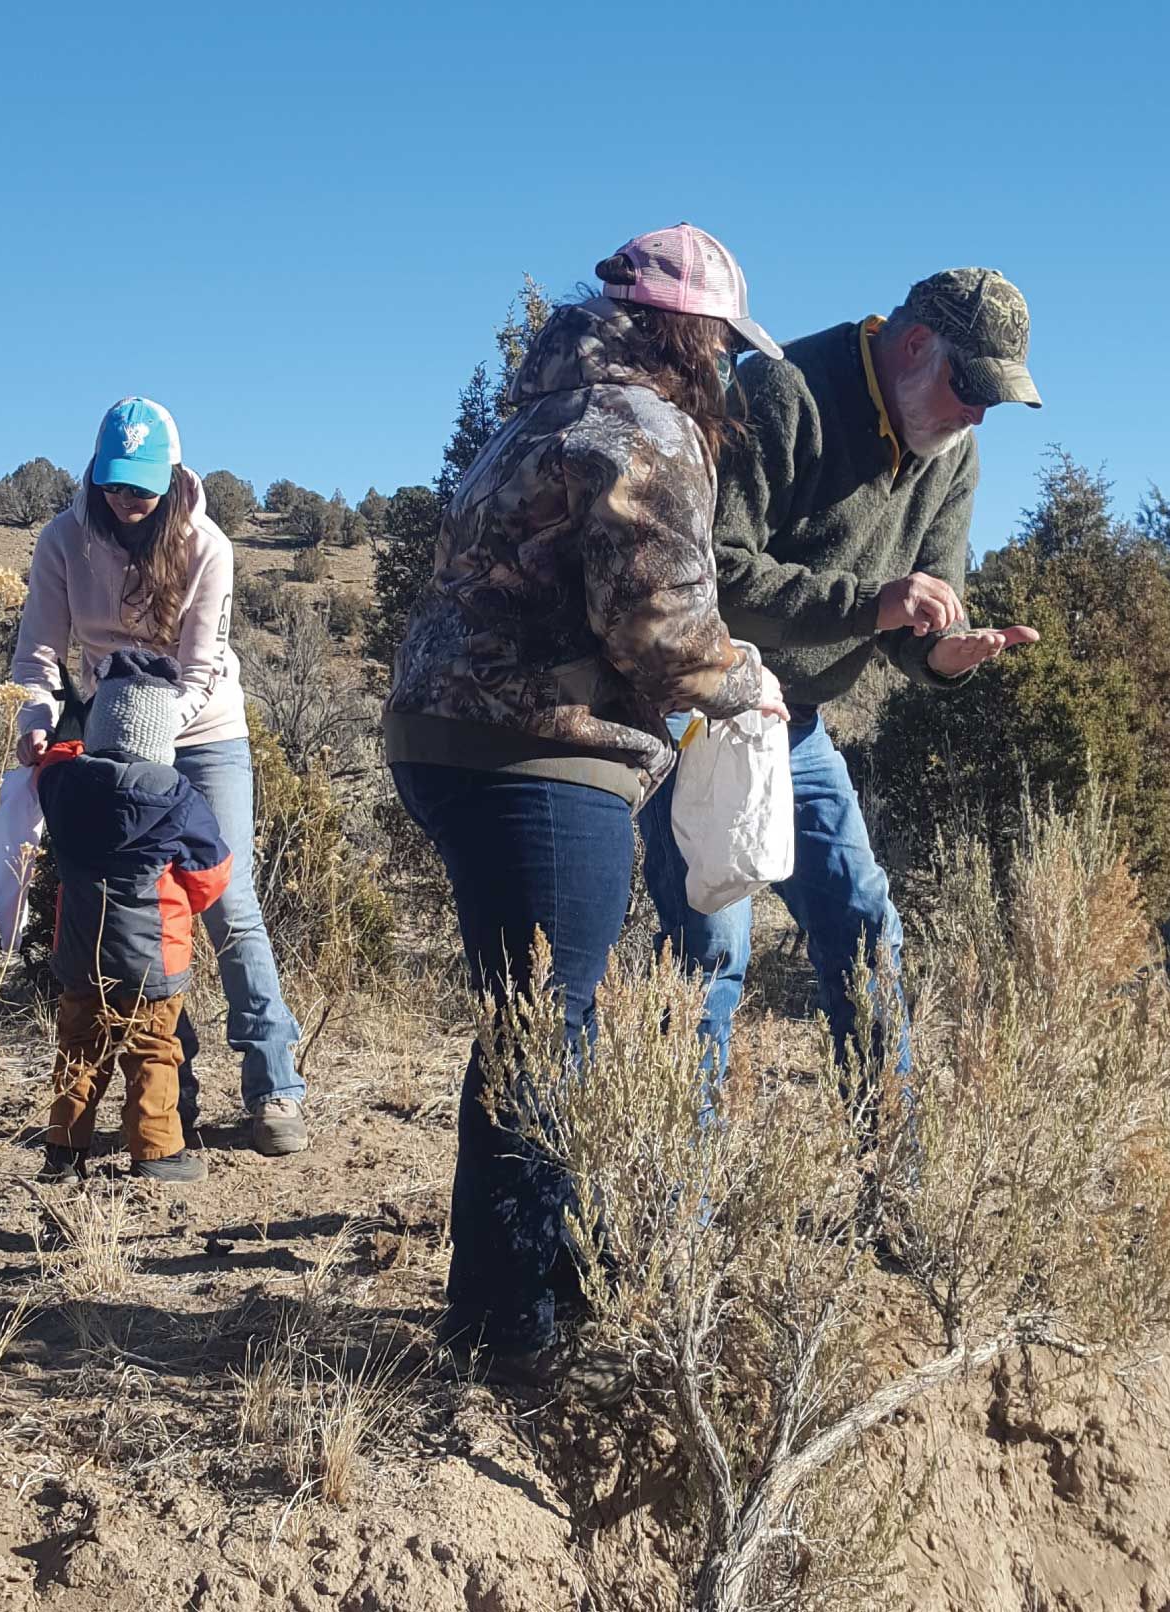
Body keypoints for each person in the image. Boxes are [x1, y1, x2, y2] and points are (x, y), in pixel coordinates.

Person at [384, 224, 789, 1381]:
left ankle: (530, 1288)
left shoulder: (541, 408)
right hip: (538, 751)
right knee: (544, 1027)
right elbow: (655, 627)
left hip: (446, 734)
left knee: (534, 1016)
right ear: (694, 333)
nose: (722, 368)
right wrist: (742, 681)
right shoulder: (644, 425)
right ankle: (512, 1332)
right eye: (719, 343)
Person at [639, 268, 1044, 1074]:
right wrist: (875, 606)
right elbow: (711, 574)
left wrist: (938, 653)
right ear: (915, 344)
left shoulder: (952, 455)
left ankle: (893, 1168)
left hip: (800, 726)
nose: (975, 412)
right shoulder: (786, 393)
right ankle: (673, 1195)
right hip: (704, 711)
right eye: (970, 386)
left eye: (993, 400)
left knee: (866, 926)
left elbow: (912, 612)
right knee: (709, 952)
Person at [11, 397, 307, 1156]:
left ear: (171, 477)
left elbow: (201, 669)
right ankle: (172, 1096)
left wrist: (152, 739)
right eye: (114, 483)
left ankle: (273, 1086)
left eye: (141, 485)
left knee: (224, 895)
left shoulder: (206, 545)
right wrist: (39, 718)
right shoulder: (63, 540)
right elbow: (40, 653)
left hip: (201, 733)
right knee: (126, 904)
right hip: (106, 735)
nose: (126, 499)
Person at [37, 653, 233, 1184]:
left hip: (80, 949)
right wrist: (183, 901)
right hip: (154, 954)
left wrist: (74, 732)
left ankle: (63, 1151)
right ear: (161, 733)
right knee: (153, 1050)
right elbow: (212, 874)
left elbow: (54, 757)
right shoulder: (178, 796)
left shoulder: (63, 785)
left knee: (79, 1048)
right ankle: (156, 1151)